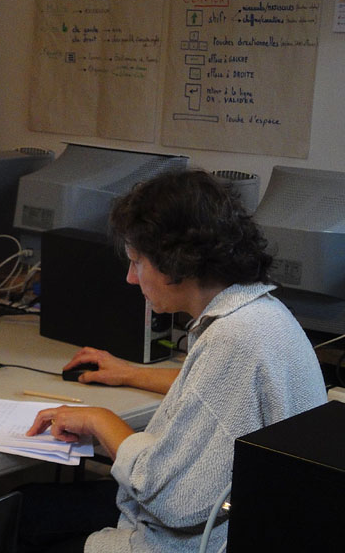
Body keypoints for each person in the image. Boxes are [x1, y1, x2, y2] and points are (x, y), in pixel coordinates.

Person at [19, 169, 326, 553]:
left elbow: (172, 499)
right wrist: (130, 374)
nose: (131, 278)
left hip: (193, 541)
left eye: (137, 262)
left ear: (175, 264)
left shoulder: (233, 339)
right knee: (31, 508)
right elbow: (217, 393)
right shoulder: (261, 314)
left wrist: (99, 420)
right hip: (246, 525)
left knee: (22, 517)